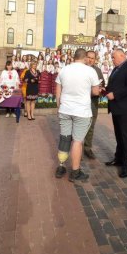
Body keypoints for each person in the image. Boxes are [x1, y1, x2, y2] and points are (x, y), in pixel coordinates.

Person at [55, 48, 100, 182]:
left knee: (64, 138)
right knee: (77, 141)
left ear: (74, 57)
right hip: (81, 111)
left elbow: (58, 91)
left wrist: (59, 107)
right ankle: (75, 171)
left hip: (65, 109)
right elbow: (96, 92)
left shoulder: (64, 70)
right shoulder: (90, 71)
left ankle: (61, 166)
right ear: (85, 58)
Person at [105, 48, 127, 178]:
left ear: (121, 55)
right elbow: (115, 85)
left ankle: (126, 165)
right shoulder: (116, 68)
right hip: (116, 108)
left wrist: (115, 94)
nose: (112, 59)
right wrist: (106, 89)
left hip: (126, 108)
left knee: (126, 138)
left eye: (114, 57)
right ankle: (118, 159)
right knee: (119, 135)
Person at [84, 50, 105, 159]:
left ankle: (87, 148)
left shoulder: (97, 70)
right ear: (84, 57)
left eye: (92, 58)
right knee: (79, 125)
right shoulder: (80, 69)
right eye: (88, 57)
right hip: (81, 101)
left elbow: (102, 84)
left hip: (93, 101)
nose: (90, 60)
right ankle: (76, 147)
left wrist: (101, 89)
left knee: (91, 125)